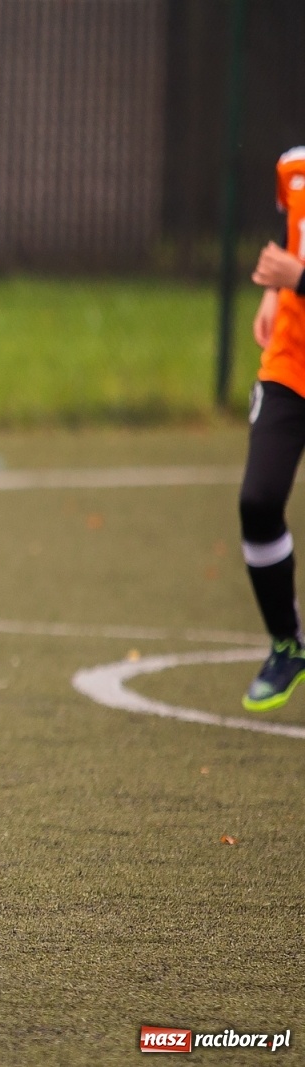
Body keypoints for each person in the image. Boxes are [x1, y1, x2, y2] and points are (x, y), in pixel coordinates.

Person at [240, 145, 305, 711]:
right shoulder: (293, 167)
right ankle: (287, 644)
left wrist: (299, 279)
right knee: (258, 501)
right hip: (290, 366)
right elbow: (291, 236)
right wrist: (271, 290)